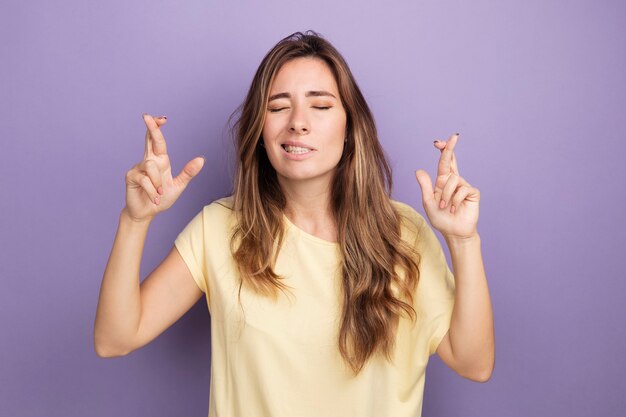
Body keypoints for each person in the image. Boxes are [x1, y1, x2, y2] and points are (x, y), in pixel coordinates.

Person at [94, 30, 494, 417]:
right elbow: (115, 339)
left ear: (350, 128)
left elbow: (474, 364)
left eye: (320, 106)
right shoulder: (221, 228)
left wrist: (463, 241)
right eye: (278, 106)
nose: (297, 122)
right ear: (260, 131)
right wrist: (135, 219)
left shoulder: (404, 234)